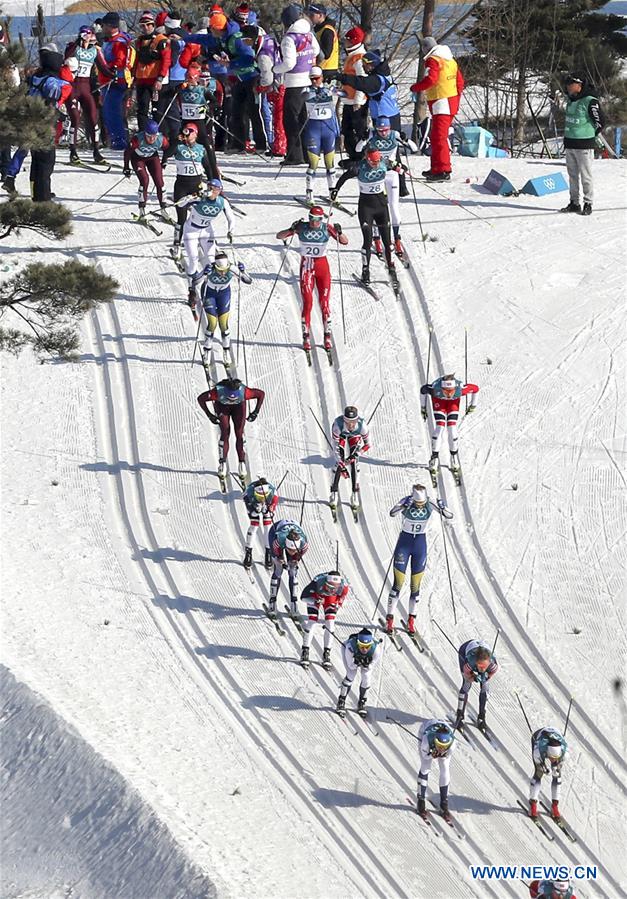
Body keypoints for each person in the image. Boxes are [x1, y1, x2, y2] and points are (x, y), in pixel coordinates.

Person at [4, 44, 74, 199]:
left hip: (29, 119)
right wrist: (59, 115)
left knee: (34, 160)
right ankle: (42, 197)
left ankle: (35, 191)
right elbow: (50, 103)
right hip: (44, 124)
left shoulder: (35, 78)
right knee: (46, 161)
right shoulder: (52, 82)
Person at [276, 206, 347, 353]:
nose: (314, 222)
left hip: (323, 268)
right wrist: (291, 228)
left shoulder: (326, 228)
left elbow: (344, 242)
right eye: (312, 219)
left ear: (322, 219)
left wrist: (339, 232)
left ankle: (327, 335)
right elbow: (279, 236)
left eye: (317, 220)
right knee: (308, 302)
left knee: (324, 303)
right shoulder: (302, 227)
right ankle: (306, 336)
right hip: (307, 268)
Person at [386, 485, 452, 635]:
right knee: (398, 583)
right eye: (417, 503)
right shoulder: (407, 500)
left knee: (415, 587)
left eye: (421, 504)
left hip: (420, 546)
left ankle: (411, 621)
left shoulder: (430, 502)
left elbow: (449, 515)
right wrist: (404, 505)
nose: (419, 506)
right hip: (404, 544)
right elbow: (392, 513)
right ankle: (389, 619)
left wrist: (442, 506)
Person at [331, 148, 396, 287]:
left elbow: (396, 165)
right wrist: (335, 190)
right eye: (373, 162)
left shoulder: (384, 163)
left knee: (387, 241)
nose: (376, 164)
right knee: (367, 241)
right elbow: (343, 177)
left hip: (382, 207)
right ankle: (365, 271)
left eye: (377, 161)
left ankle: (391, 267)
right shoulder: (358, 168)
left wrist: (400, 167)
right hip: (366, 208)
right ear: (367, 159)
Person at [356, 116, 414, 261]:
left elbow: (415, 148)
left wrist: (406, 140)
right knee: (376, 206)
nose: (383, 133)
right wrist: (363, 139)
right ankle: (376, 237)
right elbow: (358, 149)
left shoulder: (394, 135)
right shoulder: (372, 134)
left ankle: (397, 239)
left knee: (394, 207)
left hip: (391, 174)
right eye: (380, 130)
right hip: (376, 176)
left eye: (386, 130)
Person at [410, 36, 464, 182]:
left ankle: (443, 170)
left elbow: (431, 79)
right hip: (449, 101)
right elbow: (460, 82)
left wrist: (416, 88)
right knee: (436, 136)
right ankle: (437, 168)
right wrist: (456, 100)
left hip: (442, 102)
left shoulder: (433, 60)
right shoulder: (449, 59)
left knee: (439, 137)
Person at [274, 4, 320, 165]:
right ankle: (309, 153)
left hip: (294, 84)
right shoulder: (308, 33)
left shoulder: (289, 38)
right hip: (308, 82)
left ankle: (295, 155)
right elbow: (316, 50)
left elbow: (289, 64)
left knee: (290, 121)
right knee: (304, 120)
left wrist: (275, 68)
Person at [180, 178, 235, 307]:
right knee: (193, 259)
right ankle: (191, 290)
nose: (212, 191)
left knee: (211, 262)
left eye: (215, 189)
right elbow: (180, 204)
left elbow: (231, 218)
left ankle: (208, 289)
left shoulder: (222, 202)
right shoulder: (200, 197)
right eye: (210, 187)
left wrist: (230, 231)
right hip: (191, 230)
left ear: (219, 190)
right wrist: (190, 197)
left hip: (206, 231)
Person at [197, 376, 265, 479]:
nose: (232, 399)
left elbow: (261, 394)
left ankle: (242, 463)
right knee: (225, 432)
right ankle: (222, 463)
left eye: (234, 398)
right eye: (230, 398)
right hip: (223, 407)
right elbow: (201, 398)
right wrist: (209, 415)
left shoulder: (244, 391)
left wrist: (256, 412)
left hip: (239, 407)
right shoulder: (217, 392)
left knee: (239, 433)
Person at [170, 122, 220, 262]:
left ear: (196, 134)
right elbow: (167, 153)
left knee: (203, 214)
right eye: (186, 131)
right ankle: (176, 245)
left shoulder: (201, 149)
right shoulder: (179, 147)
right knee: (181, 218)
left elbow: (208, 167)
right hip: (181, 186)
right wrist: (176, 140)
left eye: (190, 131)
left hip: (197, 186)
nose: (187, 133)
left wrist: (213, 183)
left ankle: (210, 242)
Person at [420, 373, 479, 476]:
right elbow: (423, 390)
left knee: (452, 428)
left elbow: (476, 389)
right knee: (440, 427)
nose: (448, 394)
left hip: (453, 403)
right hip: (439, 400)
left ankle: (454, 457)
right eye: (446, 391)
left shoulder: (459, 389)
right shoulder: (435, 389)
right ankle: (434, 458)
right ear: (442, 388)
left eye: (451, 391)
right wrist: (423, 408)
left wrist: (473, 405)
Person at [561, 75, 604, 216]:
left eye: (570, 83)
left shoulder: (590, 101)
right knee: (572, 176)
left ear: (579, 85)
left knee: (586, 176)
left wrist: (591, 136)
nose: (567, 86)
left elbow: (600, 122)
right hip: (570, 143)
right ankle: (574, 202)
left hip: (584, 144)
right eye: (567, 83)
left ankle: (588, 203)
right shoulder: (571, 100)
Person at [199, 250, 251, 364]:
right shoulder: (210, 268)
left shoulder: (231, 268)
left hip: (224, 294)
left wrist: (243, 271)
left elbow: (248, 281)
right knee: (212, 323)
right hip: (209, 294)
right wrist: (204, 274)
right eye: (219, 270)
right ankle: (207, 350)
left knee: (223, 324)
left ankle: (226, 350)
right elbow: (195, 281)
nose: (222, 273)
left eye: (224, 270)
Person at [64, 26, 107, 164]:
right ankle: (73, 151)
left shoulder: (94, 51)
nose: (88, 37)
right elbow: (66, 56)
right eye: (86, 34)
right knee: (75, 118)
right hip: (73, 87)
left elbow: (103, 67)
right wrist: (78, 41)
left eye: (90, 34)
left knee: (93, 118)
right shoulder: (74, 47)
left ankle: (96, 151)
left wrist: (115, 74)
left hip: (86, 87)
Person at [302, 65, 341, 203]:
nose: (314, 81)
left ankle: (332, 193)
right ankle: (309, 194)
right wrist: (319, 93)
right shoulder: (307, 89)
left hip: (328, 131)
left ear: (322, 78)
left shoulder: (328, 89)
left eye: (316, 79)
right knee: (313, 163)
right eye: (312, 79)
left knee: (330, 163)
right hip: (313, 132)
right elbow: (306, 96)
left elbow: (344, 94)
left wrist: (334, 89)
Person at [339, 48, 401, 132]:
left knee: (386, 143)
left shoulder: (377, 81)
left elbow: (360, 83)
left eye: (364, 64)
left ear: (371, 65)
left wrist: (340, 77)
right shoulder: (382, 75)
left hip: (386, 118)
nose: (362, 66)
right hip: (387, 115)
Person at [97, 11, 133, 150]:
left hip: (115, 82)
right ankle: (116, 139)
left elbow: (120, 61)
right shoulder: (110, 40)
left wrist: (107, 67)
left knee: (112, 112)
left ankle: (120, 141)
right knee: (108, 112)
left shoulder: (119, 42)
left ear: (111, 26)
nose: (102, 28)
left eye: (104, 25)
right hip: (107, 81)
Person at [300, 571, 349, 669]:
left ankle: (327, 653)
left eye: (336, 588)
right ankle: (305, 651)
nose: (332, 590)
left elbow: (341, 598)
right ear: (325, 582)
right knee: (312, 622)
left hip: (331, 599)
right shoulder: (317, 582)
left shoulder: (344, 587)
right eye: (330, 587)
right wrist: (315, 601)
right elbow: (303, 597)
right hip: (316, 596)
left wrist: (337, 605)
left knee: (330, 623)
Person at [133, 10, 171, 130]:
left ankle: (160, 136)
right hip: (141, 79)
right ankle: (143, 135)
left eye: (148, 24)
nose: (145, 28)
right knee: (142, 109)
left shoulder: (161, 40)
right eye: (142, 26)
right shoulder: (139, 41)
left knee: (158, 110)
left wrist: (160, 78)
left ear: (153, 25)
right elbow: (136, 60)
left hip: (155, 80)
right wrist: (134, 76)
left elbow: (166, 61)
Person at [329, 405, 370, 513]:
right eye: (347, 421)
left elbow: (368, 445)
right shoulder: (338, 425)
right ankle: (334, 492)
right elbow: (335, 447)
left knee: (354, 463)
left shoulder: (362, 426)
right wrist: (342, 465)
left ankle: (354, 492)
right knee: (339, 461)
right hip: (342, 435)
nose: (351, 425)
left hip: (355, 436)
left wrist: (357, 454)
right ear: (344, 419)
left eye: (353, 421)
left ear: (357, 419)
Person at [123, 119, 168, 214]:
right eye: (149, 136)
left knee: (160, 182)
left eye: (154, 136)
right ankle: (142, 209)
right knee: (144, 180)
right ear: (144, 134)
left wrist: (164, 161)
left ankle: (163, 208)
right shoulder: (137, 139)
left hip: (152, 158)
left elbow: (167, 149)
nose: (152, 139)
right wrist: (126, 167)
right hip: (138, 159)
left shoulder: (161, 139)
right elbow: (127, 153)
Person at [455, 639, 499, 730]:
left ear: (488, 663)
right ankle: (460, 715)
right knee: (466, 685)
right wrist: (473, 677)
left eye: (484, 667)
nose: (482, 669)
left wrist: (485, 676)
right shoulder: (470, 663)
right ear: (476, 663)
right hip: (465, 650)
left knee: (485, 687)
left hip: (481, 653)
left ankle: (482, 717)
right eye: (480, 666)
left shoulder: (493, 666)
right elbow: (467, 676)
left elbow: (490, 674)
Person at [267, 518, 309, 614]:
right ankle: (272, 602)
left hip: (293, 533)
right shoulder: (278, 541)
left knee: (293, 571)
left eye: (294, 550)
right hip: (275, 531)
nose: (292, 552)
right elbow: (277, 555)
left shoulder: (304, 545)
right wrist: (280, 558)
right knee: (278, 570)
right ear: (286, 545)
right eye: (290, 550)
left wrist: (295, 560)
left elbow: (297, 557)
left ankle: (294, 603)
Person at [336, 628, 381, 717]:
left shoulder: (376, 649)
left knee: (366, 678)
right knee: (351, 675)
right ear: (357, 643)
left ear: (371, 644)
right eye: (361, 646)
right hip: (351, 656)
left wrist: (367, 664)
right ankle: (341, 700)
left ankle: (362, 702)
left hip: (361, 658)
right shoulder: (350, 647)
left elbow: (372, 665)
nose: (364, 649)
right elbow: (351, 666)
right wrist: (357, 662)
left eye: (367, 647)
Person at [416, 719, 456, 817]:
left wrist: (441, 754)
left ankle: (444, 802)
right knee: (425, 767)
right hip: (425, 728)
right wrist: (431, 755)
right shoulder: (426, 740)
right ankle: (421, 800)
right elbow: (425, 756)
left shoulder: (452, 745)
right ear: (435, 741)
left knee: (445, 769)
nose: (441, 749)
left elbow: (446, 754)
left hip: (441, 728)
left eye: (444, 746)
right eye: (439, 746)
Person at [529, 727, 568, 820]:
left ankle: (555, 806)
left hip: (554, 738)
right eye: (551, 757)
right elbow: (539, 763)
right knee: (539, 772)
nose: (553, 759)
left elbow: (557, 764)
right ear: (547, 753)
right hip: (539, 736)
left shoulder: (564, 752)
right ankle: (533, 804)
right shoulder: (539, 750)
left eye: (556, 757)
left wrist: (555, 768)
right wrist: (544, 768)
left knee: (557, 776)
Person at [340, 27, 367, 160]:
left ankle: (361, 157)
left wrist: (358, 100)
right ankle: (352, 156)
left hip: (357, 102)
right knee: (347, 129)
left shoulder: (359, 58)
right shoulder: (351, 55)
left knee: (359, 130)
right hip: (348, 99)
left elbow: (362, 81)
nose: (345, 42)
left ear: (354, 41)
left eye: (347, 40)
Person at [242, 477, 279, 570]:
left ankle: (268, 552)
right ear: (255, 493)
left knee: (267, 526)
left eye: (263, 497)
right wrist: (254, 509)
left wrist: (270, 508)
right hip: (253, 503)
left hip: (268, 503)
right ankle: (248, 552)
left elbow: (273, 505)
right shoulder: (248, 494)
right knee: (254, 525)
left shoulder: (273, 493)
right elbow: (250, 509)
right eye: (259, 497)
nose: (262, 499)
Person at [307, 4, 339, 82]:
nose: (309, 17)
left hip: (327, 70)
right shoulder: (319, 29)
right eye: (309, 15)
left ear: (320, 15)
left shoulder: (327, 31)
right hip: (322, 68)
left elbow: (326, 54)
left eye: (312, 15)